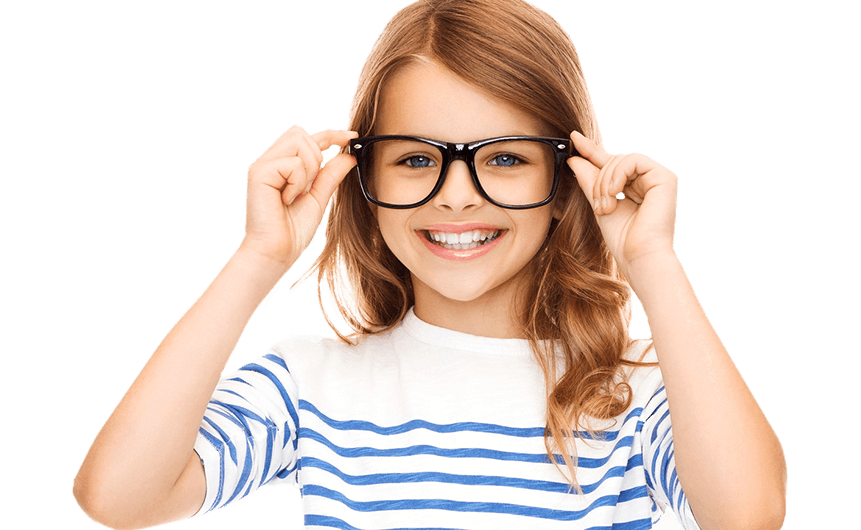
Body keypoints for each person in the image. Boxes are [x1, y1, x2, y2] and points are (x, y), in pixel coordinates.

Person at [72, 1, 787, 529]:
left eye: (503, 158)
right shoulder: (311, 385)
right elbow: (119, 499)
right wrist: (258, 258)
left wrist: (652, 263)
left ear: (567, 178)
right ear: (359, 176)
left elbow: (746, 516)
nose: (455, 196)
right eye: (416, 159)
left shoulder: (642, 391)